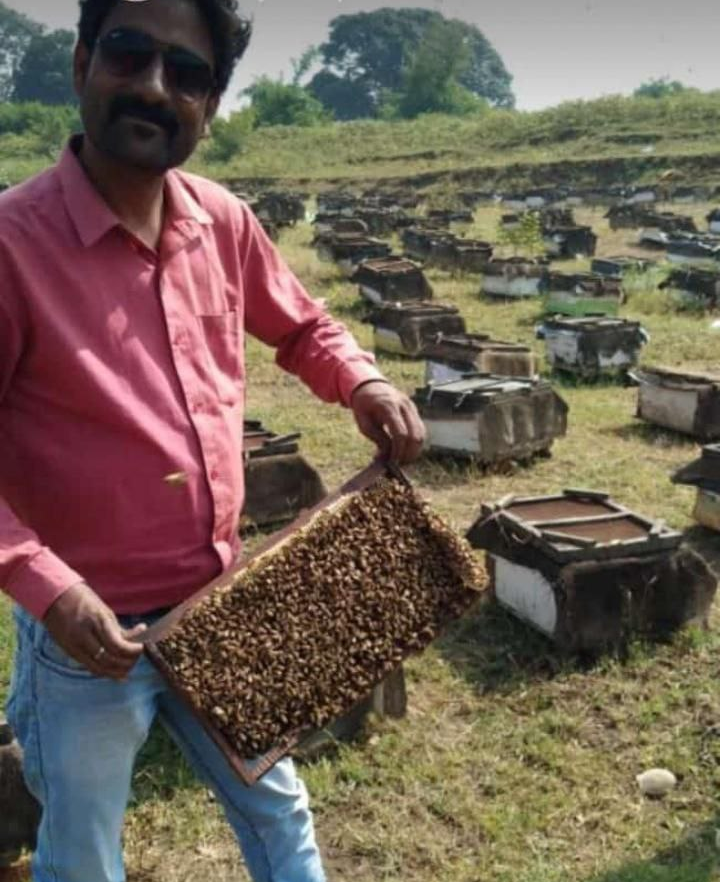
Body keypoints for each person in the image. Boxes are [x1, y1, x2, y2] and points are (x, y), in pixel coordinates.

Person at [0, 1, 426, 880]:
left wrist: (364, 380)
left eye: (187, 74)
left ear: (212, 104)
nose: (154, 87)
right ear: (82, 61)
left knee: (280, 817)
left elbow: (303, 326)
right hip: (88, 640)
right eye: (129, 54)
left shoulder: (222, 221)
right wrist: (46, 587)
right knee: (82, 854)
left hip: (224, 604)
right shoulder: (11, 245)